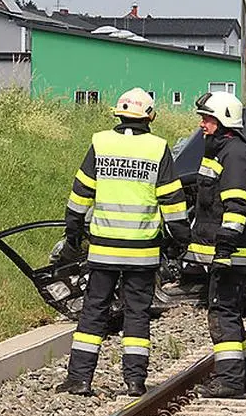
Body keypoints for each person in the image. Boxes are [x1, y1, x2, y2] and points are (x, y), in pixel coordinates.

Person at [55, 88, 189, 397]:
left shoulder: (101, 143)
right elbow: (171, 199)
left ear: (118, 114)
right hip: (142, 251)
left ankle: (80, 379)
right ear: (150, 117)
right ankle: (134, 381)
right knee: (137, 313)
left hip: (103, 248)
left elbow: (81, 192)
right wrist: (181, 240)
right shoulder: (158, 148)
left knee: (94, 309)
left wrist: (73, 232)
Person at [185, 91, 246, 399]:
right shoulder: (223, 151)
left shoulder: (234, 155)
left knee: (222, 313)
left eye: (207, 119)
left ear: (223, 122)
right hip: (227, 251)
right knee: (228, 311)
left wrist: (224, 250)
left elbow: (236, 207)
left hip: (231, 253)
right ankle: (241, 379)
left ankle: (229, 382)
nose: (202, 124)